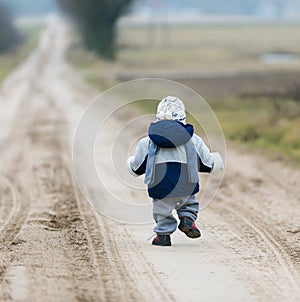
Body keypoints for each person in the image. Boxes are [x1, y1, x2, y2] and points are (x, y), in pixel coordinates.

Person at [127, 96, 224, 246]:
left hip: (161, 186)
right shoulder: (194, 140)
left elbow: (136, 166)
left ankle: (163, 236)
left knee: (162, 210)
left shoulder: (147, 142)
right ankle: (187, 219)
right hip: (186, 184)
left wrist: (130, 164)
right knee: (188, 204)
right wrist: (216, 162)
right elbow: (207, 162)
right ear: (183, 117)